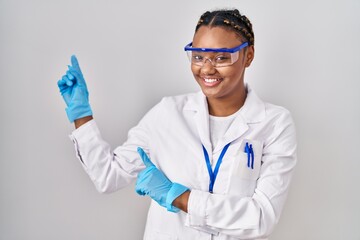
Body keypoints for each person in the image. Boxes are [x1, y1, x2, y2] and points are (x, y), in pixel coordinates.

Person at [57, 9, 297, 240]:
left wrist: (179, 197)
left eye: (222, 57)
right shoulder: (167, 114)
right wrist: (81, 114)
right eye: (198, 56)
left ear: (249, 55)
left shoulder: (274, 123)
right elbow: (107, 176)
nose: (207, 68)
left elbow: (262, 218)